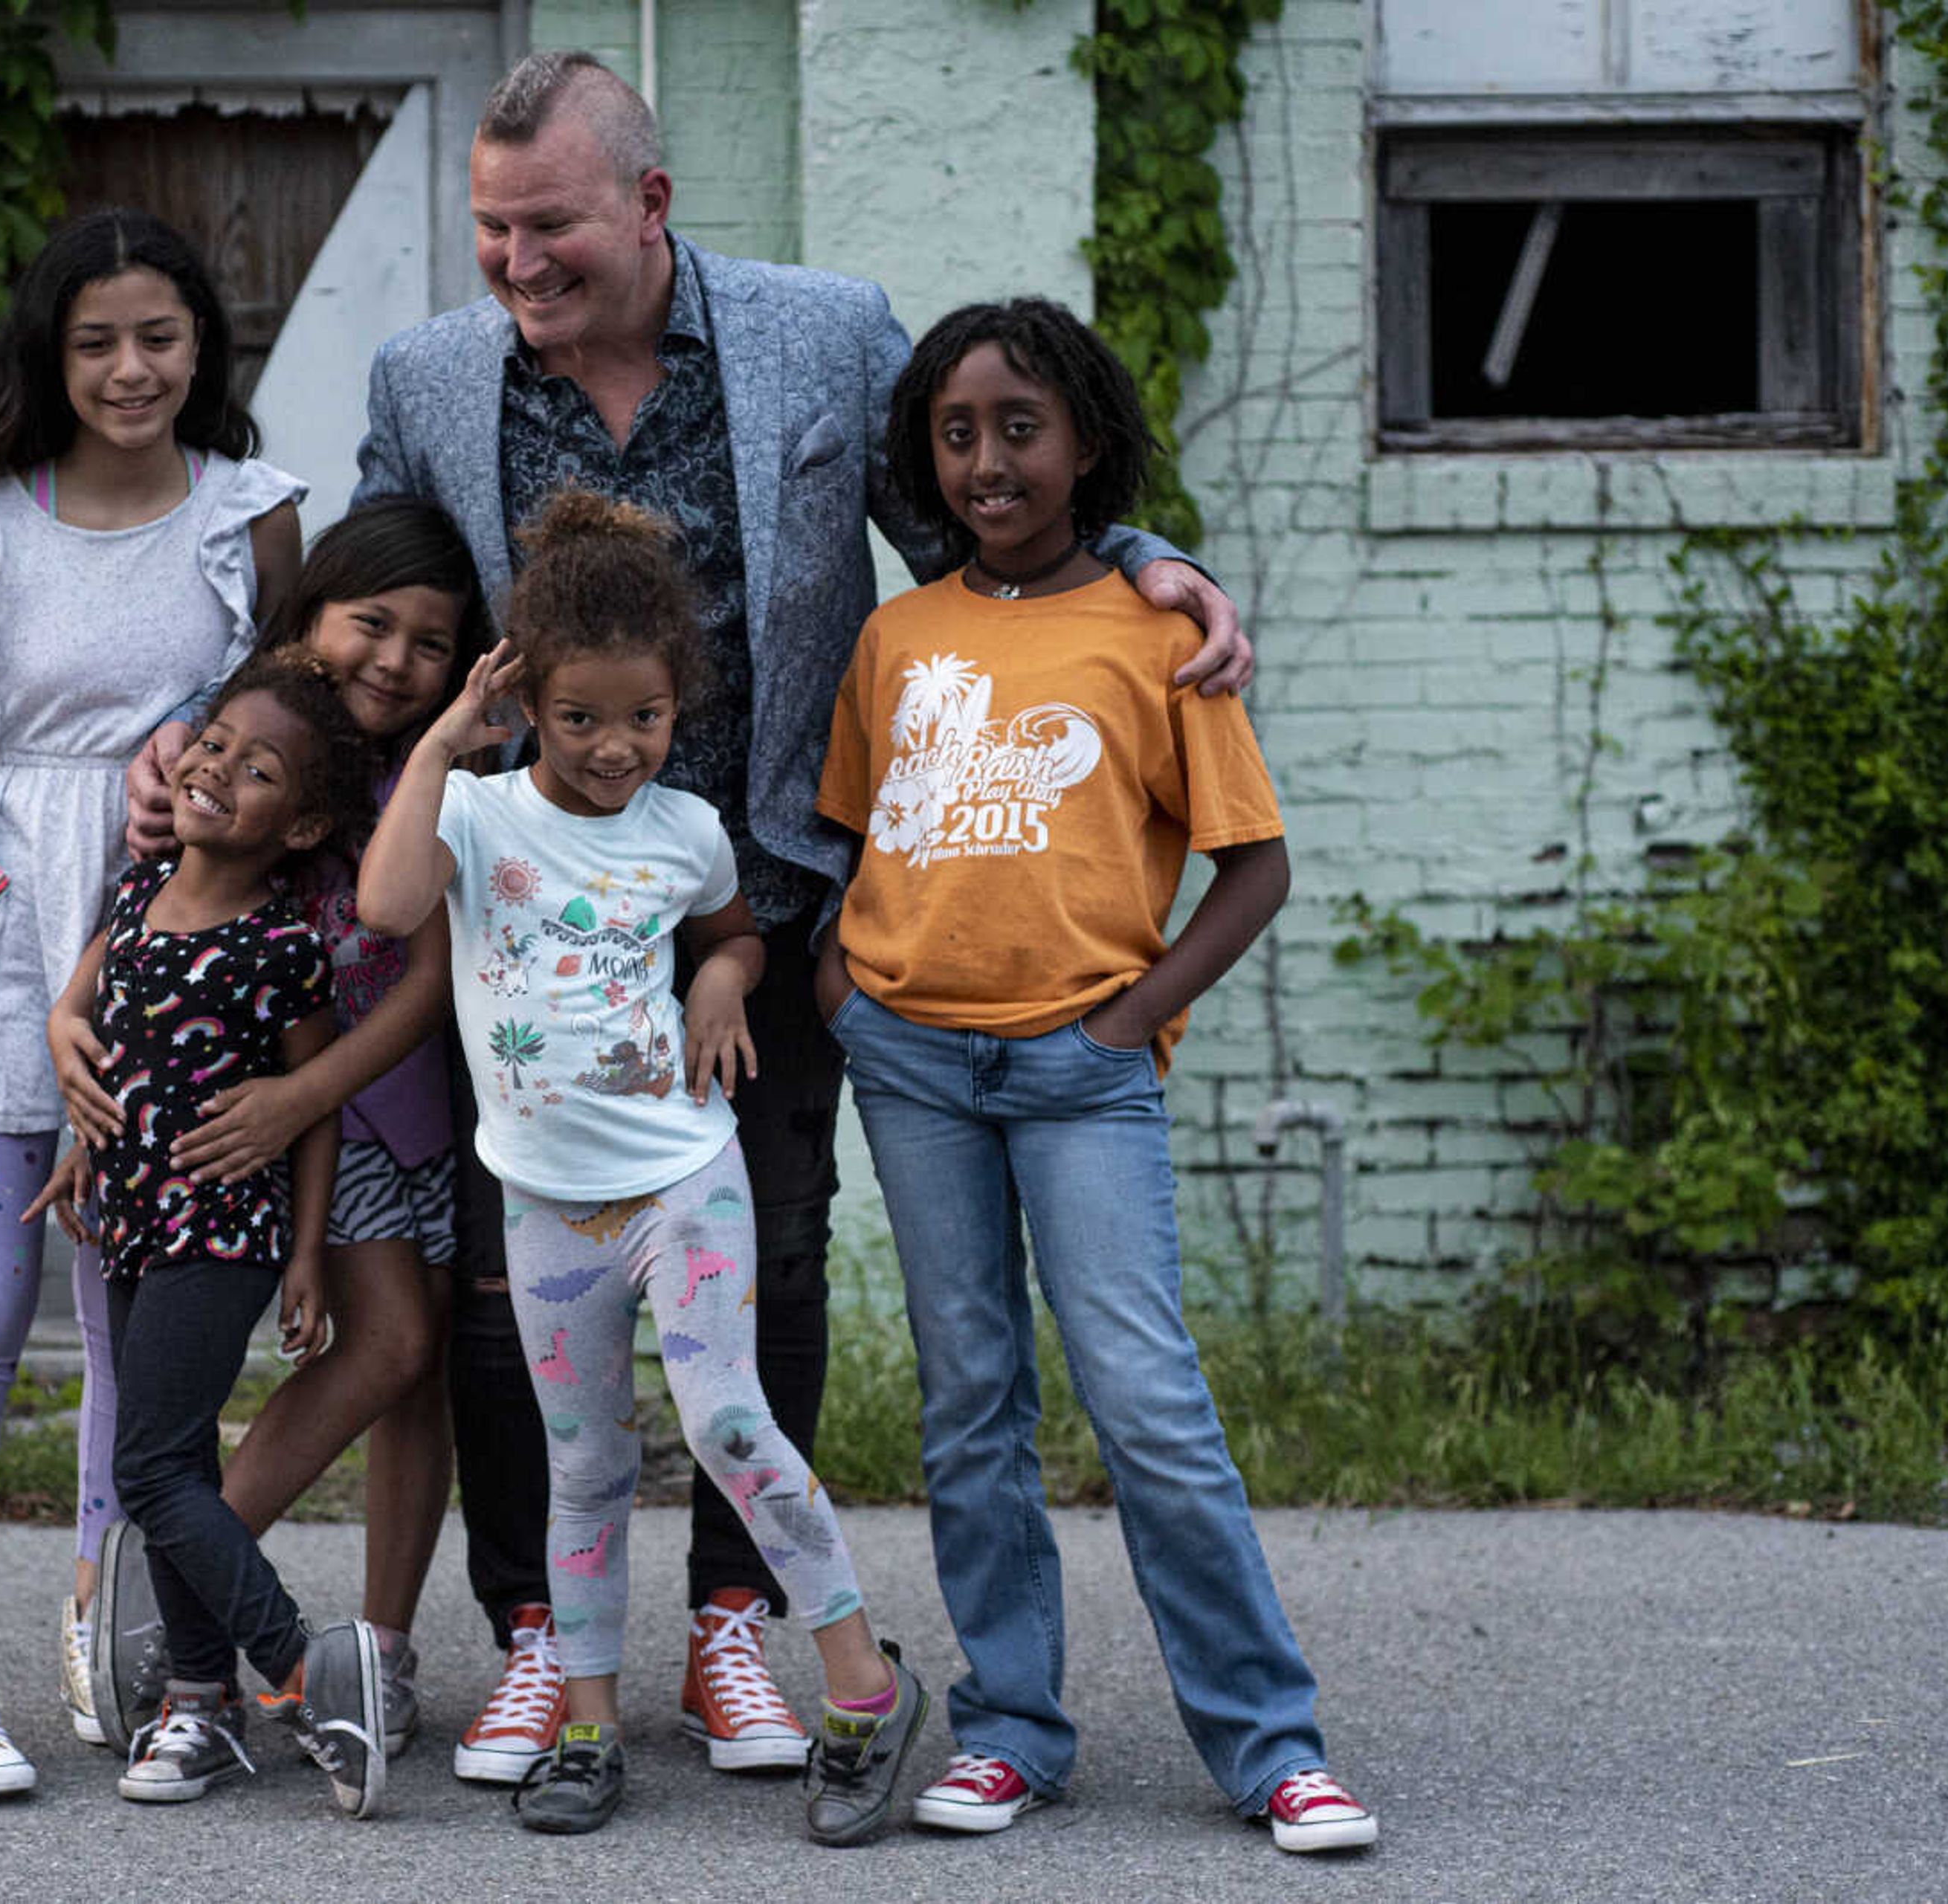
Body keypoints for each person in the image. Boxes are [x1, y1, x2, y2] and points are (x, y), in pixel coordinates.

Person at [123, 47, 1261, 1786]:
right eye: (495, 230)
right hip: (524, 929)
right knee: (518, 1305)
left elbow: (979, 519)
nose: (516, 263)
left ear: (650, 205)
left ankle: (734, 1624)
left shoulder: (823, 331)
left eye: (553, 227)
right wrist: (205, 741)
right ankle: (535, 1637)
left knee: (772, 1259)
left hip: (764, 911)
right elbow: (374, 604)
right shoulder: (433, 373)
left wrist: (1156, 557)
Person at [813, 297, 1375, 1855]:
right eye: (957, 432)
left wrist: (1132, 1024)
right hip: (913, 1067)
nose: (989, 460)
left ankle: (1273, 1747)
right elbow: (861, 831)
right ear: (925, 457)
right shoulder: (899, 633)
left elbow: (1253, 870)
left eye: (1020, 428)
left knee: (1145, 1400)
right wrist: (844, 986)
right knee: (968, 1405)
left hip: (1079, 1072)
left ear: (1085, 446)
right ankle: (1011, 1730)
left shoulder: (1158, 631)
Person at [354, 490, 930, 1842]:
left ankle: (862, 1684)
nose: (617, 748)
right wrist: (446, 736)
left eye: (647, 719)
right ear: (528, 706)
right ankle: (591, 1724)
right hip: (549, 1206)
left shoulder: (686, 830)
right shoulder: (481, 817)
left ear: (679, 707)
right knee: (586, 1465)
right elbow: (386, 906)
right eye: (582, 720)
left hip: (683, 1183)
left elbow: (734, 933)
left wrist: (724, 982)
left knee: (729, 1420)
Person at [0, 207, 304, 1798]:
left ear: (203, 348)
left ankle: (109, 1621)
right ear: (50, 356)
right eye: (98, 341)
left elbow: (282, 732)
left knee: (135, 1335)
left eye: (161, 337)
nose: (131, 369)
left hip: (170, 959)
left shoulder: (252, 516)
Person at [77, 502, 486, 1758]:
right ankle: (166, 1585)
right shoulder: (261, 748)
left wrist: (308, 1093)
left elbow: (430, 969)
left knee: (423, 1380)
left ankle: (385, 1644)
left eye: (431, 641)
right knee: (390, 1345)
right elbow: (143, 922)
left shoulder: (436, 770)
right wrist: (67, 1035)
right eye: (372, 623)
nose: (395, 660)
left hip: (408, 1104)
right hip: (300, 1115)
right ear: (310, 617)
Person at [27, 650, 390, 1816]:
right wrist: (79, 1114)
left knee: (147, 1462)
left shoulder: (282, 946)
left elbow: (313, 1102)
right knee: (170, 1465)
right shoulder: (136, 893)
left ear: (305, 822)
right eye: (216, 744)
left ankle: (300, 1667)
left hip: (222, 1230)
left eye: (261, 767)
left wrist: (305, 1252)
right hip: (129, 1220)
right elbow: (88, 1014)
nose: (219, 770)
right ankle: (201, 1703)